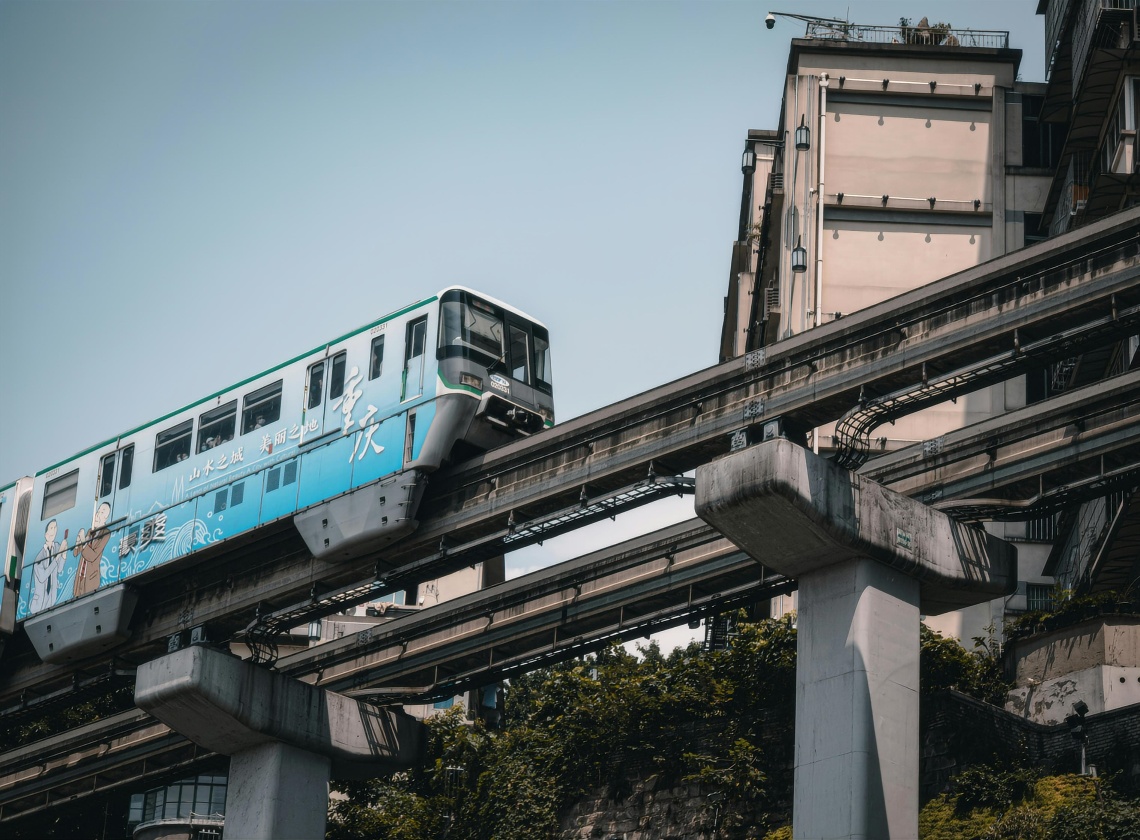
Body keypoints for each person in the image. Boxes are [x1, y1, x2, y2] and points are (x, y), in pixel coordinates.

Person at [73, 502, 111, 598]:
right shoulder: (90, 531)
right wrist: (78, 544)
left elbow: (93, 556)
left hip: (91, 577)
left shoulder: (106, 533)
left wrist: (83, 542)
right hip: (80, 577)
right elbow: (75, 553)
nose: (98, 514)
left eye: (102, 512)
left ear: (106, 518)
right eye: (98, 511)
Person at [29, 520, 67, 613]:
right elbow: (42, 577)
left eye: (55, 528)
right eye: (51, 528)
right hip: (38, 603)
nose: (53, 530)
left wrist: (64, 555)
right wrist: (58, 556)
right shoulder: (39, 556)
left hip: (52, 598)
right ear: (46, 534)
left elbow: (59, 569)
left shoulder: (57, 546)